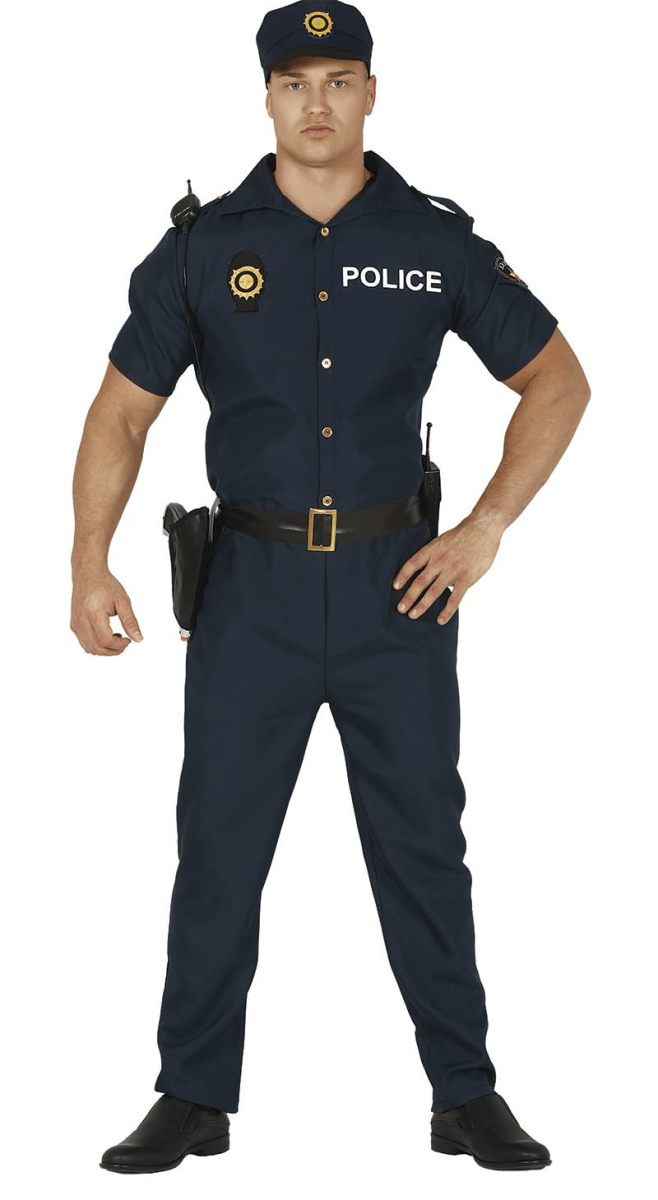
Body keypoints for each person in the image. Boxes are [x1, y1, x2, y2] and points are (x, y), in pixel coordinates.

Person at [70, 0, 590, 1175]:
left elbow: (558, 381)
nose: (317, 103)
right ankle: (191, 1096)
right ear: (266, 96)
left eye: (339, 80)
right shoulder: (203, 249)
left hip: (394, 589)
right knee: (219, 846)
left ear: (370, 94)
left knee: (423, 846)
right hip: (248, 589)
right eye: (296, 82)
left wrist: (485, 528)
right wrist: (87, 558)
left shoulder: (434, 243)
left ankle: (465, 1094)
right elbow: (120, 413)